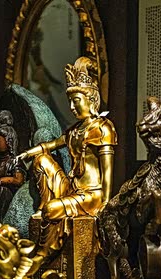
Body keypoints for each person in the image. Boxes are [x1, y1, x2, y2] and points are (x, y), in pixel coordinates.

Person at [15, 56, 116, 257]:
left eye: (76, 101)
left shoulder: (103, 128)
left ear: (91, 99)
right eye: (70, 101)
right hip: (71, 188)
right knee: (42, 160)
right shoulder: (74, 130)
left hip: (91, 195)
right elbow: (52, 145)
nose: (71, 107)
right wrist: (27, 153)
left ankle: (43, 253)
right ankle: (45, 210)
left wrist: (106, 203)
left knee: (51, 210)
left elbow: (107, 170)